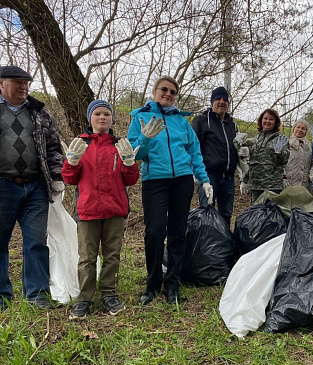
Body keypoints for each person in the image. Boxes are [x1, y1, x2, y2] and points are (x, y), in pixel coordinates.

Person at [127, 76, 213, 306]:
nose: (168, 94)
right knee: (155, 231)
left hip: (183, 181)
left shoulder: (182, 122)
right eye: (164, 90)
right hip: (155, 180)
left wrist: (204, 180)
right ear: (154, 91)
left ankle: (172, 284)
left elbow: (194, 152)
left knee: (178, 231)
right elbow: (133, 155)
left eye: (173, 92)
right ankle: (152, 283)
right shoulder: (140, 117)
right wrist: (144, 139)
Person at [62, 100, 139, 319]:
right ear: (90, 118)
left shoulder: (119, 145)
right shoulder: (80, 144)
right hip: (87, 210)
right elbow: (69, 179)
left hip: (115, 209)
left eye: (106, 114)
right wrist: (72, 162)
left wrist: (129, 163)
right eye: (98, 114)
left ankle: (109, 295)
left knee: (112, 255)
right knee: (86, 257)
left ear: (112, 118)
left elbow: (130, 180)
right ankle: (84, 299)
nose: (102, 117)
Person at [0, 66, 64, 311]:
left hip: (36, 187)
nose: (24, 86)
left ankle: (37, 295)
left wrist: (57, 178)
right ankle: (2, 297)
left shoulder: (40, 113)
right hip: (3, 186)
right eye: (17, 82)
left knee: (36, 242)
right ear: (1, 84)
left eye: (26, 82)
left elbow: (54, 147)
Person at [192, 87, 239, 227]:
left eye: (225, 99)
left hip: (229, 177)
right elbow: (193, 146)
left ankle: (224, 245)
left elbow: (236, 148)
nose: (221, 102)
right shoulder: (201, 121)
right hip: (209, 175)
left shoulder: (232, 124)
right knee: (208, 212)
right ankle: (207, 245)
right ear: (212, 102)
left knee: (226, 214)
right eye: (218, 99)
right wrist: (195, 172)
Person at [240, 109, 290, 203]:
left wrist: (279, 153)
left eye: (271, 119)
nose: (267, 121)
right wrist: (244, 180)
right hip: (256, 186)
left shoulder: (281, 139)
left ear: (276, 122)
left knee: (271, 215)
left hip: (273, 187)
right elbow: (252, 163)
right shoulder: (256, 139)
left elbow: (284, 161)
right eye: (265, 118)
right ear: (261, 120)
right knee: (256, 215)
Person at [284, 119, 313, 192]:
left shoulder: (308, 147)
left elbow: (312, 164)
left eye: (303, 128)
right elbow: (280, 162)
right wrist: (283, 178)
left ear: (306, 132)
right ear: (294, 129)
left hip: (304, 186)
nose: (300, 130)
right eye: (298, 127)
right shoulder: (286, 144)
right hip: (289, 184)